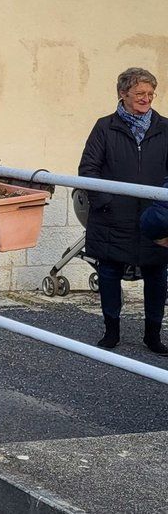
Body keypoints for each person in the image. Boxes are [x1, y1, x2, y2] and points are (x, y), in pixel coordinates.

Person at [79, 67, 168, 355]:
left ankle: (153, 335)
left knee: (156, 273)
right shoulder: (105, 127)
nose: (146, 99)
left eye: (151, 94)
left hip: (154, 216)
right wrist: (105, 202)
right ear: (122, 94)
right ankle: (111, 331)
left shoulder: (165, 128)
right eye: (140, 93)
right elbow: (88, 169)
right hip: (113, 216)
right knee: (109, 271)